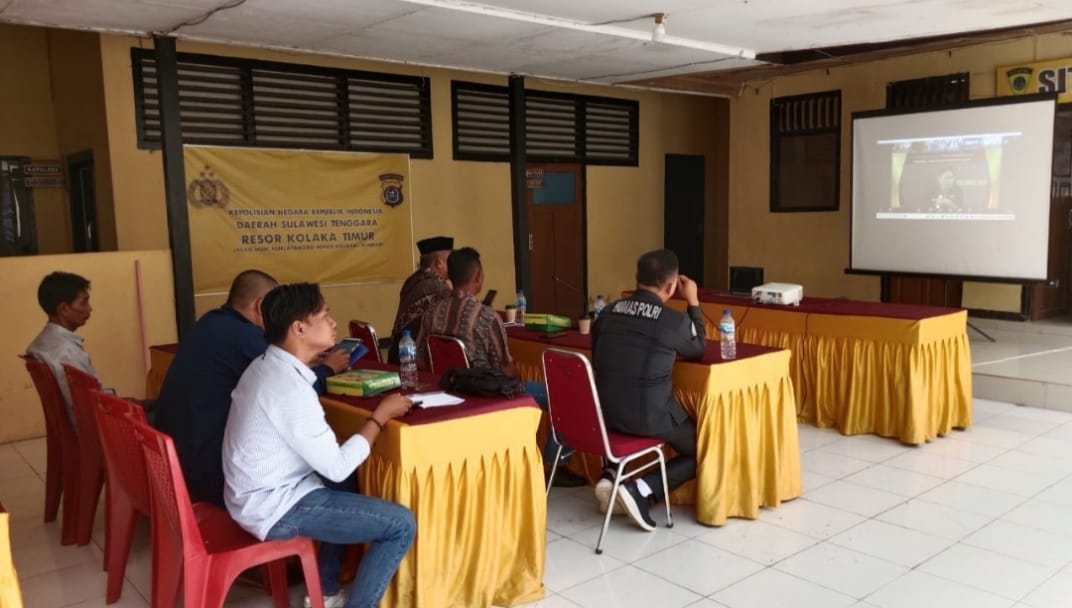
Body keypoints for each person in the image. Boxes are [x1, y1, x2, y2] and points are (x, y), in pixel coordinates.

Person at [222, 282, 416, 608]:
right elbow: (336, 466)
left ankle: (323, 591)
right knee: (400, 524)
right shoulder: (289, 388)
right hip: (274, 506)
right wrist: (380, 416)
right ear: (299, 328)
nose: (333, 322)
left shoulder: (266, 365)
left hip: (255, 491)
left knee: (346, 481)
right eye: (324, 315)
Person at [153, 270, 350, 507]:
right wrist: (328, 369)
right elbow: (289, 388)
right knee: (336, 472)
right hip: (210, 472)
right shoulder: (245, 336)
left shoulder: (210, 322)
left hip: (173, 460)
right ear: (260, 306)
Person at [415, 247, 583, 487]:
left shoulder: (431, 313)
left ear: (450, 276)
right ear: (478, 277)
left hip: (447, 390)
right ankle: (553, 467)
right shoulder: (486, 316)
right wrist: (519, 382)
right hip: (486, 394)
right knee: (564, 396)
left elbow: (420, 360)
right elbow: (505, 368)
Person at [590, 249, 706, 531]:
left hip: (603, 415)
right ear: (672, 286)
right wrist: (693, 302)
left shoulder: (607, 313)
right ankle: (642, 489)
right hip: (648, 417)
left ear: (636, 278)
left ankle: (612, 473)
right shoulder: (673, 321)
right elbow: (698, 347)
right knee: (704, 447)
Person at [26, 271, 105, 427]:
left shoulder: (40, 343)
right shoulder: (67, 353)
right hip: (93, 429)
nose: (90, 309)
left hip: (72, 427)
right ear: (64, 309)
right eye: (83, 303)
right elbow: (91, 406)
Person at [388, 236, 453, 364]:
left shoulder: (413, 279)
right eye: (450, 261)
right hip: (412, 359)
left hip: (397, 351)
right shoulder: (437, 287)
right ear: (439, 262)